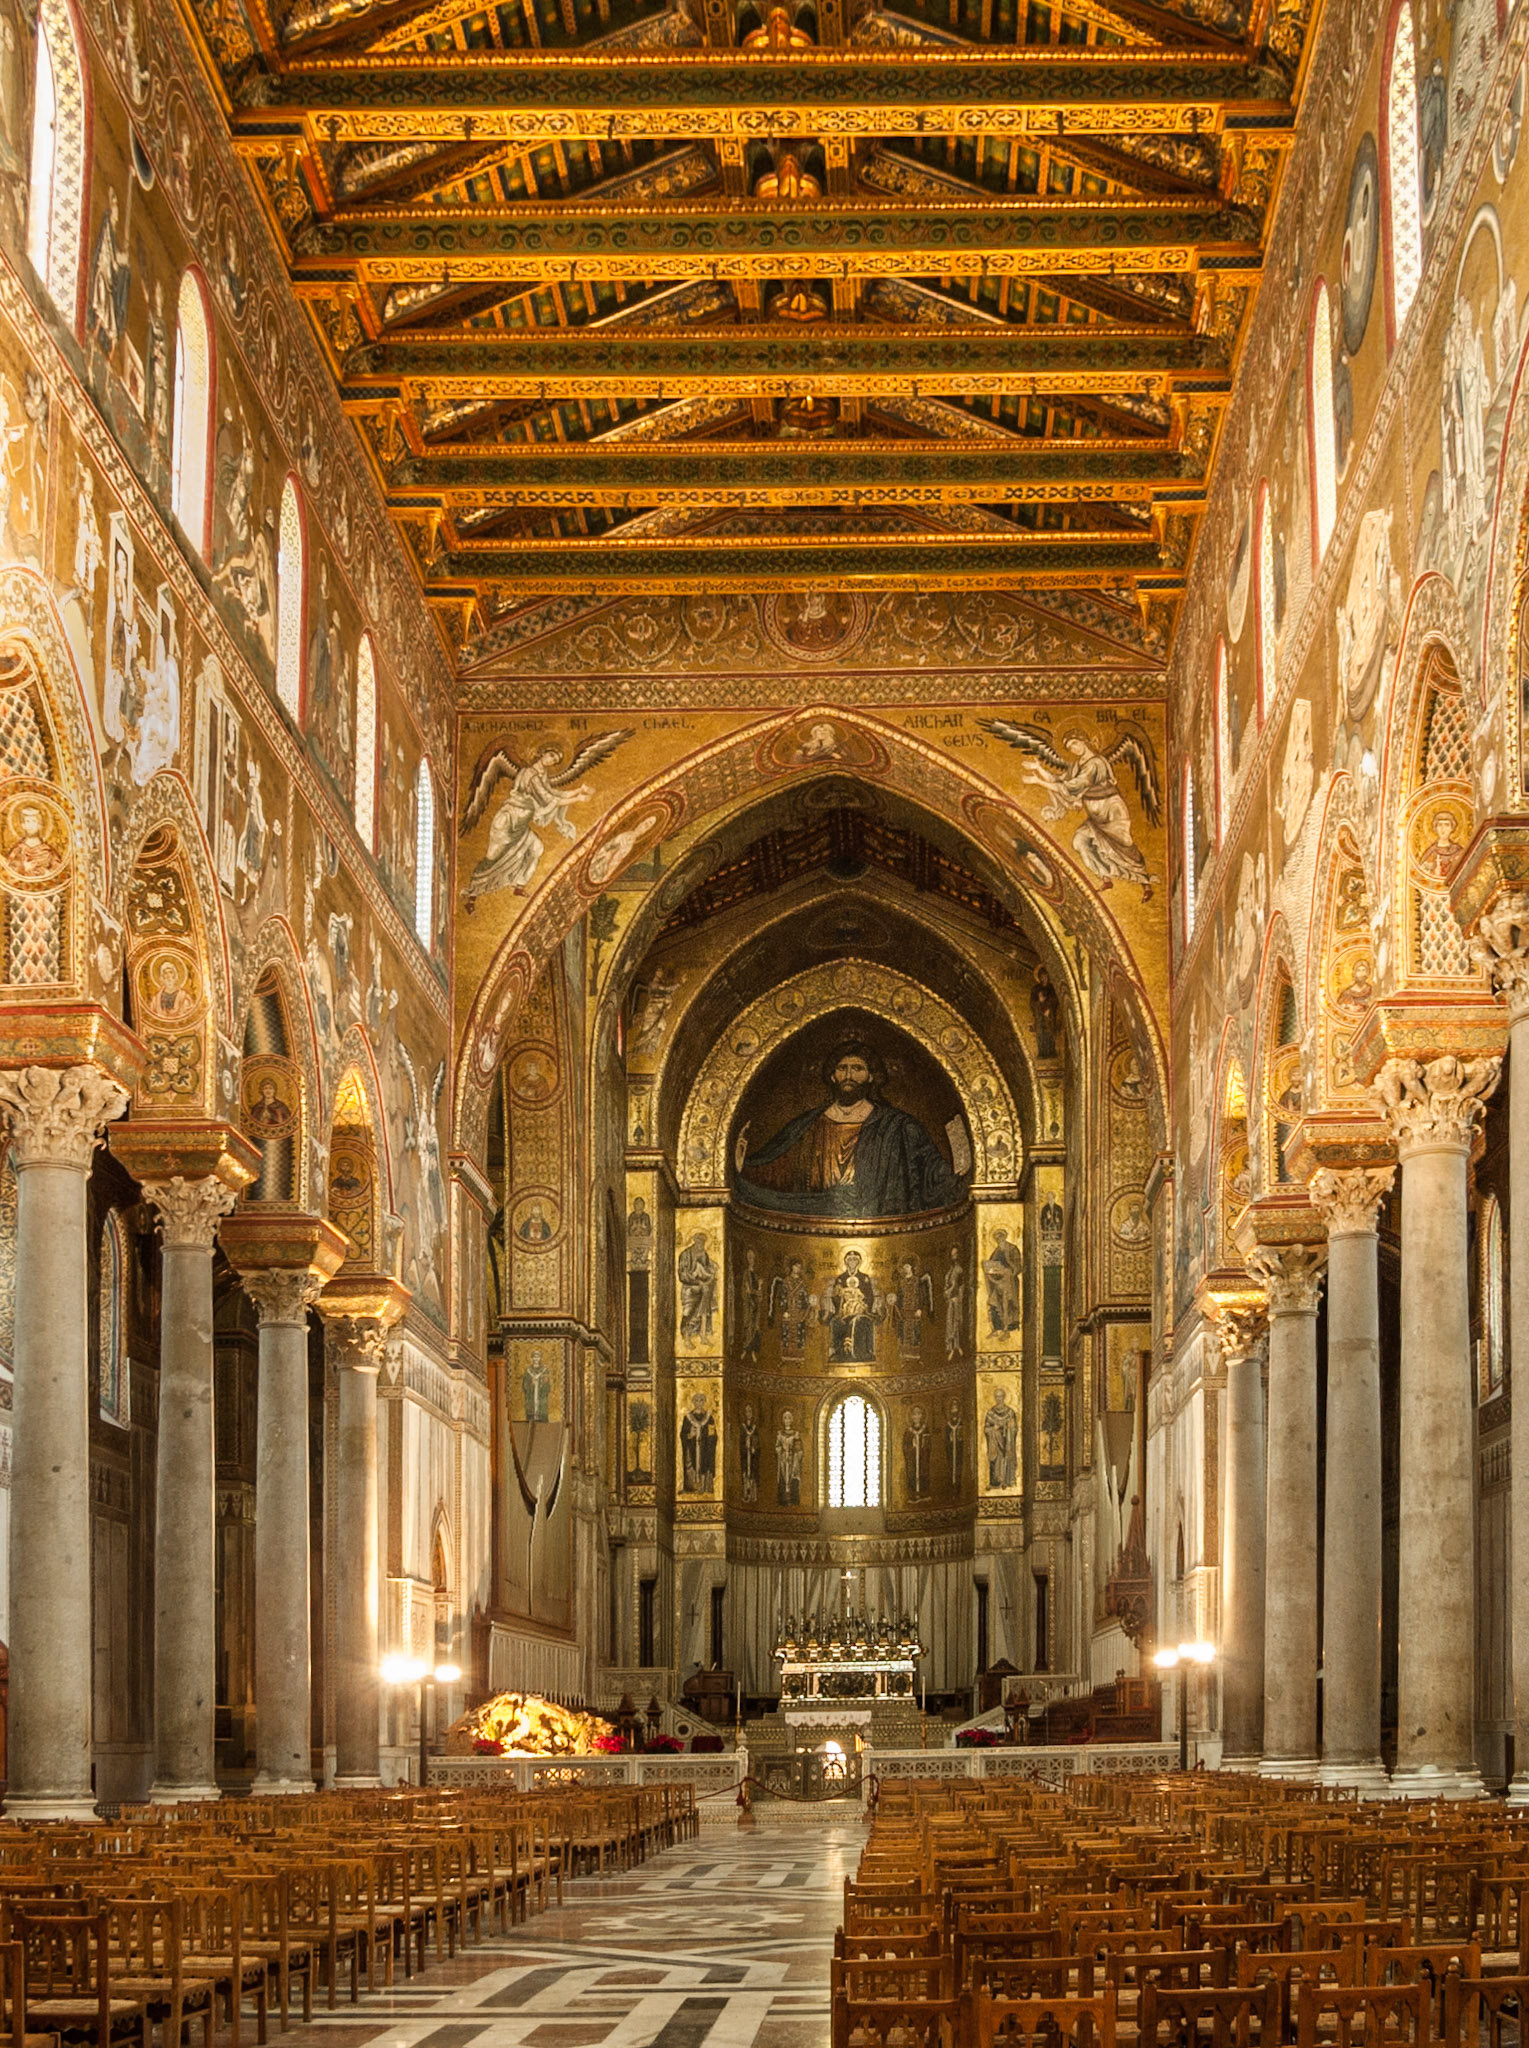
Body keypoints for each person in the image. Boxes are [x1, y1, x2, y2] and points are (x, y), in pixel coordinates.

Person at [733, 1040, 967, 1219]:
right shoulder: (808, 1124)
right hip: (815, 1216)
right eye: (842, 1068)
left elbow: (931, 1173)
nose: (849, 1075)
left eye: (857, 1068)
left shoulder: (898, 1126)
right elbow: (776, 1170)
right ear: (832, 1076)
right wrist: (743, 1164)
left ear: (871, 1076)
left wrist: (960, 1167)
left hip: (882, 1222)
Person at [984, 1386, 1018, 1489]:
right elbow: (985, 1429)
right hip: (994, 1443)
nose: (998, 1399)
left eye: (1000, 1396)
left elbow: (1015, 1428)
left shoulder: (1010, 1412)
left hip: (1006, 1441)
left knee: (1005, 1458)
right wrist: (992, 1429)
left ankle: (1004, 1481)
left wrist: (1008, 1427)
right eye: (996, 1397)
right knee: (994, 1460)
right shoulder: (990, 1413)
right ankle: (994, 1482)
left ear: (1004, 1397)